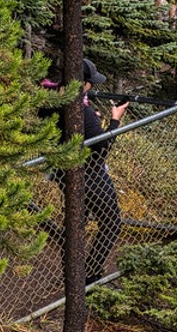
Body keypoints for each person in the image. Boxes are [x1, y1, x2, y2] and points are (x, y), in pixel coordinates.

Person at [42, 58, 129, 275]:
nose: (92, 86)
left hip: (63, 172)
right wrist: (115, 120)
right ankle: (90, 273)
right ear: (82, 83)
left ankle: (72, 272)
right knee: (111, 223)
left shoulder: (49, 102)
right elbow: (102, 146)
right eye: (90, 82)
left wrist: (92, 121)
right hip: (92, 175)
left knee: (75, 224)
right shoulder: (82, 112)